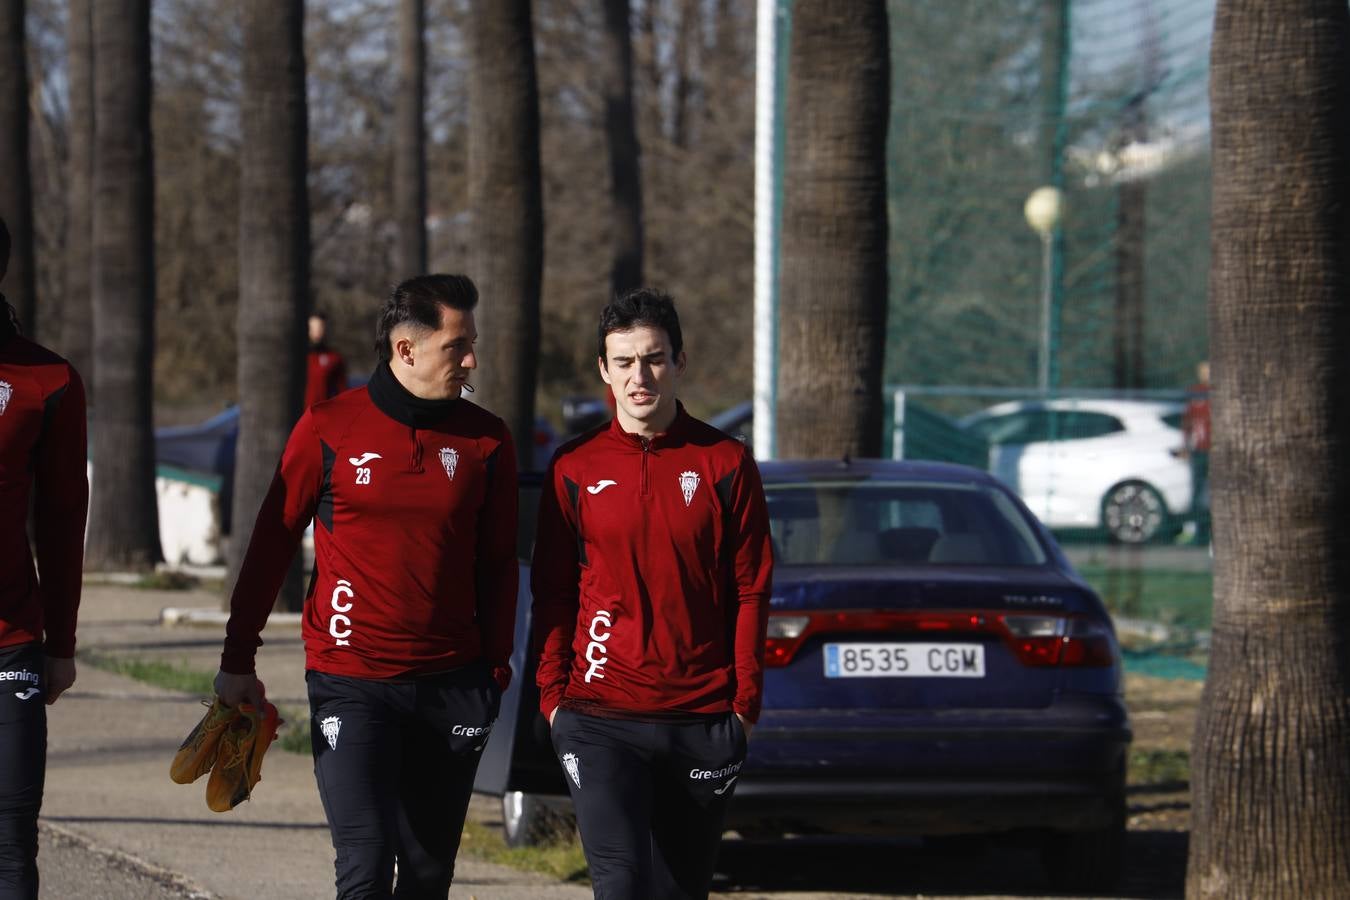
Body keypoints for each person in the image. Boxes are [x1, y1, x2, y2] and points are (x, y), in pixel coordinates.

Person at [214, 274, 518, 898]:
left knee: (428, 873)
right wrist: (236, 658)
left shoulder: (489, 440)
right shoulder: (328, 427)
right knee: (366, 862)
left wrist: (494, 672)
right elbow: (271, 549)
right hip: (351, 682)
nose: (471, 360)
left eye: (472, 344)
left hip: (454, 686)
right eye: (456, 347)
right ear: (405, 350)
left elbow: (498, 565)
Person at [531, 288, 773, 900]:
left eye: (655, 359)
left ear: (679, 363)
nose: (640, 376)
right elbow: (554, 593)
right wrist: (553, 696)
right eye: (625, 362)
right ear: (604, 371)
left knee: (679, 890)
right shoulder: (574, 467)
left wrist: (743, 705)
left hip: (702, 717)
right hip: (598, 715)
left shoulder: (725, 462)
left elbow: (752, 588)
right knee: (620, 884)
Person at [0, 216, 88, 896]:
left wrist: (61, 642)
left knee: (10, 840)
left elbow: (62, 521)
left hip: (11, 644)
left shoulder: (47, 380)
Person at [1181, 360, 1211, 543]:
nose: (1206, 374)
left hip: (1217, 451)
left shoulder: (1221, 392)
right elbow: (1187, 423)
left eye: (1209, 371)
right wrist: (1186, 446)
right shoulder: (1195, 392)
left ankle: (1212, 532)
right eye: (1203, 371)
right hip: (1199, 451)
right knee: (1196, 491)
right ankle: (1196, 532)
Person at [305, 311, 349, 409]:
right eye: (312, 328)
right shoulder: (298, 359)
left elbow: (342, 391)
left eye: (320, 327)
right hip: (300, 417)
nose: (316, 332)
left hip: (324, 415)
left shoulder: (334, 358)